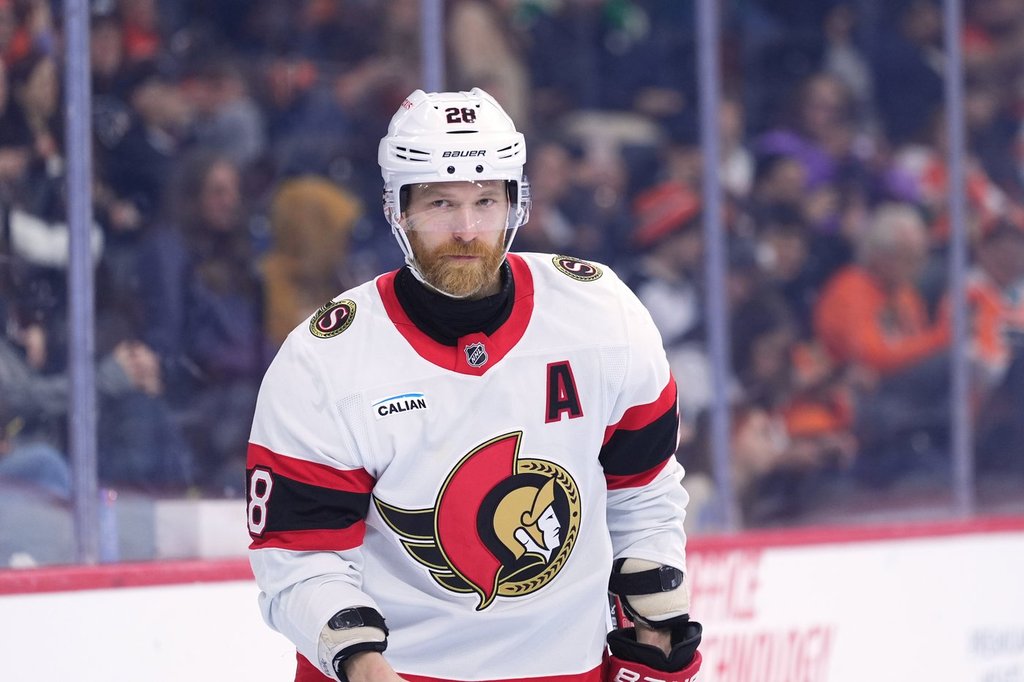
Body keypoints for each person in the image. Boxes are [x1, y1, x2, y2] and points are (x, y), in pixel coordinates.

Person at [246, 88, 702, 682]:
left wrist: (657, 616)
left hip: (567, 669)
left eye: (486, 200)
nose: (467, 229)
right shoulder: (325, 361)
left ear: (516, 204)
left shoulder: (601, 316)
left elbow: (643, 491)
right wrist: (362, 664)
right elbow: (301, 558)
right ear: (398, 209)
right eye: (441, 202)